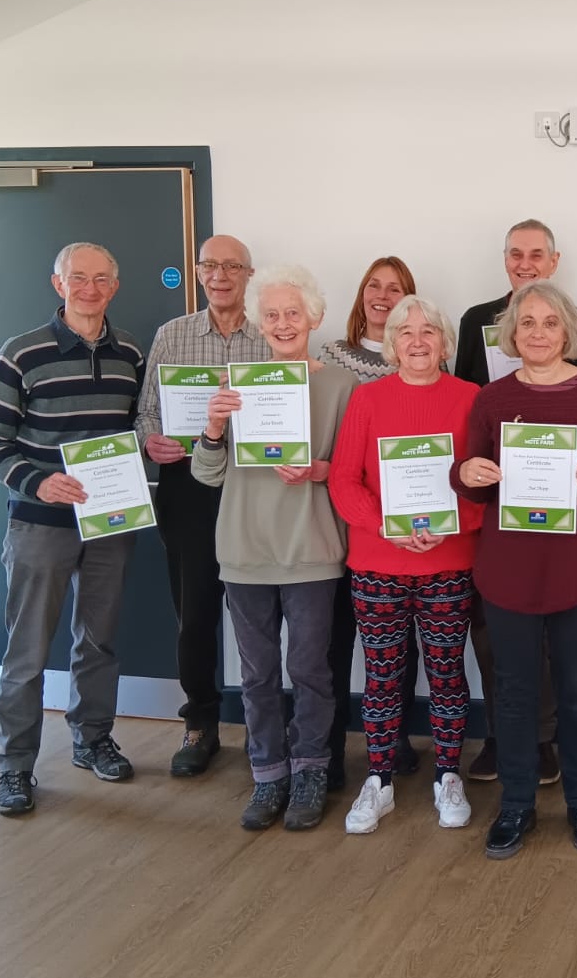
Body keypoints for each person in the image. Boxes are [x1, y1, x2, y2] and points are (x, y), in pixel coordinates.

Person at [450, 280, 577, 859]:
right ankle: (515, 806)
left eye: (549, 322)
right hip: (509, 567)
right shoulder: (493, 399)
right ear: (511, 333)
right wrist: (472, 474)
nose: (537, 332)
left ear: (569, 332)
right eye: (526, 322)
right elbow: (465, 473)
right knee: (512, 692)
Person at [0, 243, 145, 816]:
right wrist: (40, 482)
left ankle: (92, 739)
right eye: (79, 278)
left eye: (102, 278)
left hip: (109, 523)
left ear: (115, 287)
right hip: (40, 525)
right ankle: (15, 767)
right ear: (58, 284)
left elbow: (135, 432)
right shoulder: (21, 353)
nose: (90, 289)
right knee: (26, 652)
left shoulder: (129, 353)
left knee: (98, 641)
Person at [191, 265, 357, 831]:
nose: (283, 323)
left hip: (311, 547)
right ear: (260, 323)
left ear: (314, 317)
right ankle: (268, 775)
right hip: (244, 547)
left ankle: (312, 770)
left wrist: (320, 469)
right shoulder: (234, 386)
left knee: (310, 669)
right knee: (257, 674)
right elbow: (207, 474)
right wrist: (213, 430)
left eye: (293, 313)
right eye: (272, 315)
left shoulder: (342, 386)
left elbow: (357, 471)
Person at [454, 219, 577, 784]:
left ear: (554, 260)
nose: (525, 263)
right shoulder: (475, 321)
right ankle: (501, 738)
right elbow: (472, 400)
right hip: (501, 508)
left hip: (563, 507)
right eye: (515, 254)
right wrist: (476, 468)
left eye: (536, 254)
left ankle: (544, 743)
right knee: (497, 641)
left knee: (561, 647)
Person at [329, 295, 481, 832]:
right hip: (378, 565)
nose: (418, 341)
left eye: (429, 331)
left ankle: (447, 775)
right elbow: (344, 480)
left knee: (446, 673)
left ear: (445, 342)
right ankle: (379, 780)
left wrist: (448, 525)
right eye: (406, 332)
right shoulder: (367, 400)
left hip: (449, 562)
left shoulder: (471, 398)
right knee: (381, 674)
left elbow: (486, 482)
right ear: (391, 345)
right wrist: (390, 526)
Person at [134, 234, 269, 777]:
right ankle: (201, 722)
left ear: (248, 274)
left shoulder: (272, 336)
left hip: (256, 487)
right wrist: (151, 440)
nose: (220, 275)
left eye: (232, 266)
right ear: (196, 272)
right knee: (195, 612)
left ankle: (266, 721)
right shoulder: (172, 336)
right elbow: (146, 412)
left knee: (263, 611)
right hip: (187, 487)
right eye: (210, 266)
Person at [320, 256, 422, 788]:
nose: (383, 296)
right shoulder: (330, 357)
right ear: (361, 295)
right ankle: (332, 750)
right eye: (374, 287)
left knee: (397, 643)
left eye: (396, 289)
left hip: (395, 534)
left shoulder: (428, 363)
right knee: (336, 642)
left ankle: (397, 736)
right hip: (329, 521)